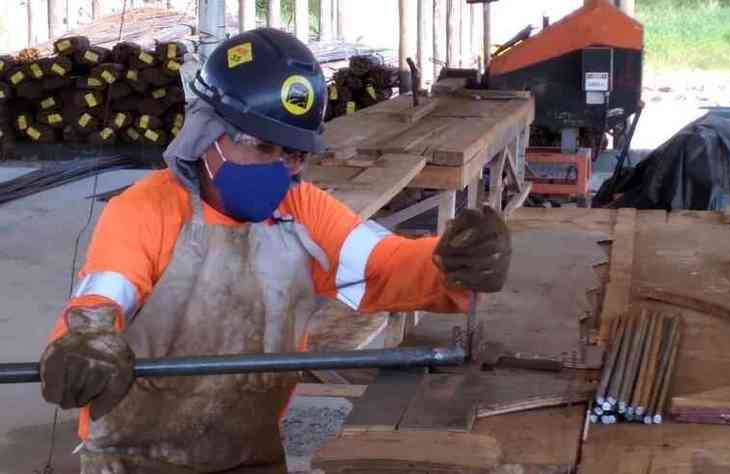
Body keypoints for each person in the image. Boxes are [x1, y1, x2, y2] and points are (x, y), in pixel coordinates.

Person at [38, 28, 511, 473]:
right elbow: (100, 302)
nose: (283, 168)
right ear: (208, 136)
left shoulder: (301, 211)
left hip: (250, 455)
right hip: (134, 460)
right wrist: (84, 347)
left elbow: (383, 267)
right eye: (265, 147)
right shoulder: (144, 211)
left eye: (295, 154)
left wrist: (451, 262)